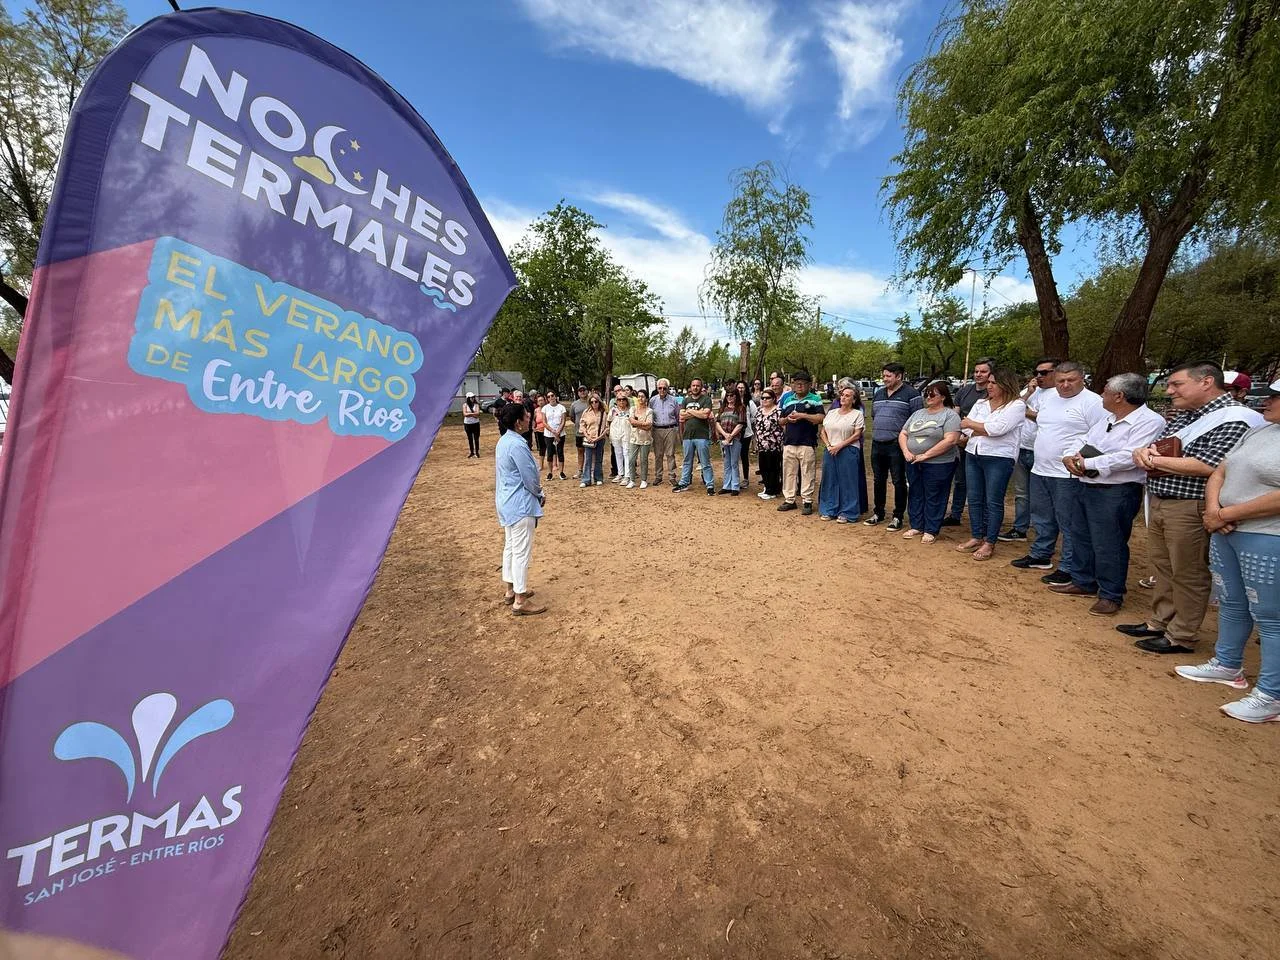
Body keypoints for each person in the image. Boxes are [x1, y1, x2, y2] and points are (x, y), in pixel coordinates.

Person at [1118, 361, 1263, 654]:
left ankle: (1182, 634)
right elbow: (1159, 445)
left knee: (1188, 570)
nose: (1169, 390)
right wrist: (1145, 452)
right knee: (1163, 566)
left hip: (1190, 505)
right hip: (1161, 499)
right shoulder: (1186, 415)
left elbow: (1208, 465)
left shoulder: (1234, 418)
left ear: (1206, 382)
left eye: (1176, 384)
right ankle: (1160, 621)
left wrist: (1153, 460)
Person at [1175, 377, 1280, 721]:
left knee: (1270, 617)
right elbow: (1221, 470)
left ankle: (1271, 695)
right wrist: (1213, 511)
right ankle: (1227, 663)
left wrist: (1225, 513)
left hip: (1267, 535)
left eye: (1275, 397)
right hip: (1226, 528)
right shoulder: (1260, 431)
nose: (1267, 401)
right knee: (1232, 601)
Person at [1054, 373, 1167, 615]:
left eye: (1105, 391)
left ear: (1119, 396)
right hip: (1087, 485)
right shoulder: (1108, 417)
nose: (1101, 395)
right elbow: (1083, 440)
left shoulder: (1150, 421)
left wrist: (1088, 464)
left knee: (1109, 543)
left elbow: (1130, 456)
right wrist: (1069, 456)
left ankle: (1110, 594)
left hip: (1117, 490)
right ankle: (1083, 581)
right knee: (1081, 535)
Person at [1010, 361, 1106, 583]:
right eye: (1061, 380)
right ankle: (1041, 554)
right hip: (1041, 467)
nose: (1065, 385)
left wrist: (1079, 459)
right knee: (1042, 516)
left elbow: (1098, 436)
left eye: (1070, 380)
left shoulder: (1093, 403)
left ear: (1082, 378)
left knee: (1069, 521)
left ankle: (1070, 566)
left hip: (1068, 473)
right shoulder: (1049, 397)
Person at [957, 367, 1026, 560]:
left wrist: (973, 425)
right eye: (989, 382)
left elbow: (997, 429)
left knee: (993, 501)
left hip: (999, 458)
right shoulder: (981, 403)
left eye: (993, 383)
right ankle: (977, 535)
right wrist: (977, 427)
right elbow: (967, 428)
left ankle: (990, 541)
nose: (989, 386)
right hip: (974, 453)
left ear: (1006, 384)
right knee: (975, 498)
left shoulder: (1016, 405)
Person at [495, 403, 546, 615]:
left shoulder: (505, 440)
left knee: (511, 547)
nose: (529, 419)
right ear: (518, 422)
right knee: (521, 552)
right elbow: (530, 477)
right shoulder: (517, 445)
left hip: (507, 502)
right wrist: (539, 494)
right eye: (526, 416)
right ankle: (520, 599)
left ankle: (511, 589)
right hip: (520, 504)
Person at [1001, 360, 1058, 541]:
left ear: (1056, 373)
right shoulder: (1030, 391)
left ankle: (1045, 533)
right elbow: (1010, 408)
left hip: (1041, 451)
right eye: (1037, 372)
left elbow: (1046, 419)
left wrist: (1023, 411)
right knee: (1021, 492)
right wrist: (1028, 394)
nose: (1039, 376)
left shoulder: (1059, 394)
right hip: (1022, 447)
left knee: (1042, 495)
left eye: (1044, 373)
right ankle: (1020, 528)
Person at [899, 381, 962, 543]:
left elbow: (951, 440)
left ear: (943, 396)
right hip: (913, 460)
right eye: (926, 393)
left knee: (935, 494)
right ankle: (916, 525)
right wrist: (906, 451)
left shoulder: (950, 415)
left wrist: (926, 455)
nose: (928, 397)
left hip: (939, 463)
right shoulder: (918, 413)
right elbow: (904, 433)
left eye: (932, 394)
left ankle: (931, 529)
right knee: (915, 492)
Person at [866, 362, 922, 530]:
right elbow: (875, 415)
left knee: (898, 481)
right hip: (877, 443)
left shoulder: (912, 394)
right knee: (878, 480)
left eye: (888, 376)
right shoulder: (879, 393)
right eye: (884, 376)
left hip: (897, 445)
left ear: (899, 376)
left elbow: (917, 421)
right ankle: (878, 512)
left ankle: (897, 516)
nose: (885, 379)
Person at [945, 358, 993, 525]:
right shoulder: (965, 391)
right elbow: (955, 415)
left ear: (991, 374)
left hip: (982, 442)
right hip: (961, 441)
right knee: (960, 480)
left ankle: (984, 520)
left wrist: (968, 437)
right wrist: (958, 436)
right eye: (976, 371)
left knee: (983, 484)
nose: (979, 374)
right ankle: (955, 515)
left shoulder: (992, 393)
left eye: (983, 371)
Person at [777, 370, 826, 515]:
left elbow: (821, 417)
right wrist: (787, 420)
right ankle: (789, 499)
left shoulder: (815, 399)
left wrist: (802, 416)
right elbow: (780, 420)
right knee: (789, 472)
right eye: (796, 383)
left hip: (807, 441)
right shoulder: (787, 399)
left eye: (802, 384)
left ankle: (807, 501)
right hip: (790, 441)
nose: (799, 386)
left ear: (808, 385)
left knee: (807, 472)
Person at [818, 385, 866, 522]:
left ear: (854, 399)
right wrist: (828, 445)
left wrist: (839, 446)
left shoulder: (857, 414)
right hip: (830, 450)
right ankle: (829, 509)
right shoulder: (832, 412)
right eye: (842, 395)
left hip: (848, 449)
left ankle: (848, 511)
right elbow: (823, 431)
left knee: (848, 481)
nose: (843, 397)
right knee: (830, 480)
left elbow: (857, 435)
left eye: (847, 395)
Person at [674, 378, 716, 495]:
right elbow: (681, 416)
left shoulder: (706, 399)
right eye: (693, 385)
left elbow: (705, 415)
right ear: (691, 387)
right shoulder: (685, 400)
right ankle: (684, 482)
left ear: (701, 387)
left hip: (702, 436)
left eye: (697, 385)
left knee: (705, 462)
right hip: (688, 436)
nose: (695, 387)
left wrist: (690, 411)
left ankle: (710, 485)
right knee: (687, 461)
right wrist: (698, 412)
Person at [753, 387, 784, 500]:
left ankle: (773, 490)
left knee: (773, 468)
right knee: (763, 467)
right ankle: (767, 487)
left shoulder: (778, 411)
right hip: (761, 444)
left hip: (774, 445)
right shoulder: (759, 410)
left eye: (768, 398)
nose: (765, 400)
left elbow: (783, 427)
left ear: (773, 399)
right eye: (763, 398)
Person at [650, 378, 681, 486]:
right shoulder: (652, 400)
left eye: (664, 388)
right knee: (658, 454)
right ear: (657, 389)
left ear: (668, 388)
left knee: (670, 454)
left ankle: (672, 477)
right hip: (657, 430)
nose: (662, 390)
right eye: (660, 388)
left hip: (670, 429)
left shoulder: (673, 400)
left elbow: (678, 416)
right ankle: (658, 476)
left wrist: (678, 430)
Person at [714, 389, 745, 495]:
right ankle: (726, 485)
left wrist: (731, 435)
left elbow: (741, 424)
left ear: (736, 396)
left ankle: (735, 486)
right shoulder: (722, 409)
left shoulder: (740, 408)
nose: (730, 397)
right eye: (728, 395)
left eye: (732, 395)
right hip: (724, 439)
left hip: (735, 438)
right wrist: (725, 434)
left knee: (734, 462)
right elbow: (717, 422)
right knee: (726, 462)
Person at [578, 393, 608, 487]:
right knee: (588, 459)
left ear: (599, 402)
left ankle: (598, 477)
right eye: (592, 402)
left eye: (596, 401)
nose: (594, 403)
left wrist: (599, 437)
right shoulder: (586, 412)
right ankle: (586, 479)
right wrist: (587, 436)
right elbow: (582, 425)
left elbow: (607, 427)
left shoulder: (603, 413)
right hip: (589, 439)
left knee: (598, 459)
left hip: (600, 438)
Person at [627, 388, 654, 488]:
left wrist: (637, 424)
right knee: (631, 459)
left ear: (646, 398)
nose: (640, 398)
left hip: (645, 439)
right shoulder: (633, 409)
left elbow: (649, 425)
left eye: (642, 396)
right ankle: (632, 480)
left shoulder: (649, 411)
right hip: (634, 438)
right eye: (639, 396)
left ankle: (643, 480)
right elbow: (631, 421)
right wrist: (643, 424)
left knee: (643, 460)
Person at [541, 390, 567, 480]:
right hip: (548, 434)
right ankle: (550, 473)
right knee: (550, 453)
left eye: (552, 395)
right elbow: (544, 422)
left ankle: (561, 472)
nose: (551, 398)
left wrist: (558, 432)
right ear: (547, 399)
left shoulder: (561, 407)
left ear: (555, 396)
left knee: (560, 452)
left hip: (560, 433)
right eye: (548, 396)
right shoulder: (544, 408)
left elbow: (563, 420)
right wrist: (553, 431)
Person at [609, 392, 633, 485]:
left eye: (623, 399)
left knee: (626, 453)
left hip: (626, 434)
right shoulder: (613, 410)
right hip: (615, 434)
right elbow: (609, 421)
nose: (621, 401)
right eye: (619, 400)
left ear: (627, 401)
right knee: (618, 453)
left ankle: (627, 476)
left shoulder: (630, 410)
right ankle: (620, 473)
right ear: (616, 401)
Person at [736, 380, 757, 488]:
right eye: (738, 387)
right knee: (734, 456)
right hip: (734, 434)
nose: (740, 389)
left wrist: (748, 424)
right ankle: (734, 478)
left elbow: (755, 416)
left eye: (742, 387)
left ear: (745, 389)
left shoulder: (750, 402)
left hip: (746, 434)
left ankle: (745, 478)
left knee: (744, 456)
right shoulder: (732, 401)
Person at [570, 385, 590, 479]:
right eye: (580, 391)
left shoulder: (592, 402)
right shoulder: (574, 404)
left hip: (590, 432)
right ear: (578, 393)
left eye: (584, 390)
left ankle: (590, 470)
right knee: (580, 451)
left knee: (590, 452)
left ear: (587, 391)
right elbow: (572, 417)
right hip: (579, 432)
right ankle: (580, 470)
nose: (582, 392)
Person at [462, 391, 482, 457]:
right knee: (470, 438)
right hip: (467, 424)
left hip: (475, 423)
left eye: (473, 397)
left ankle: (477, 452)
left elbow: (478, 413)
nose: (473, 398)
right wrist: (473, 414)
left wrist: (469, 414)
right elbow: (465, 414)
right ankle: (471, 452)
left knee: (476, 438)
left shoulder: (476, 405)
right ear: (468, 398)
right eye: (471, 397)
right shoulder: (465, 405)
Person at [533, 394, 548, 473]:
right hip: (539, 431)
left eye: (542, 400)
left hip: (547, 430)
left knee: (550, 447)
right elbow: (534, 420)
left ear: (545, 401)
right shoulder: (536, 410)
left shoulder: (548, 409)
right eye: (539, 401)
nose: (541, 402)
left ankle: (554, 464)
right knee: (541, 448)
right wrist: (533, 428)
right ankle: (541, 465)